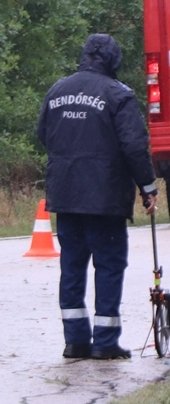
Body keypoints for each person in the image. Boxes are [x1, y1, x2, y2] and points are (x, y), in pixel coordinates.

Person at [37, 34, 158, 360]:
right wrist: (147, 187)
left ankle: (75, 342)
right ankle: (105, 342)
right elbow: (133, 146)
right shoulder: (118, 95)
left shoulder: (57, 91)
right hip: (104, 198)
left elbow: (42, 134)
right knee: (108, 264)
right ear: (113, 61)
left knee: (72, 266)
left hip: (65, 194)